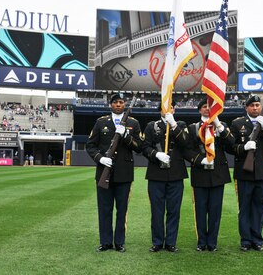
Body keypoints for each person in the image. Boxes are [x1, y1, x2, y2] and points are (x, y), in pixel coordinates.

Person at [86, 93, 143, 253]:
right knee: (104, 209)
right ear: (110, 104)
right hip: (104, 170)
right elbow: (90, 145)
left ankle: (119, 242)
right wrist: (100, 158)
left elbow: (139, 147)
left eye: (121, 102)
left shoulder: (133, 123)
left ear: (124, 104)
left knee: (122, 209)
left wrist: (126, 135)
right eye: (115, 102)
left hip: (124, 173)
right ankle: (105, 242)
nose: (118, 105)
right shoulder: (101, 122)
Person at [228, 95, 263, 252]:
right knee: (245, 208)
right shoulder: (237, 124)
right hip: (244, 172)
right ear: (247, 108)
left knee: (259, 208)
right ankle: (245, 240)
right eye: (252, 106)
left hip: (261, 173)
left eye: (258, 105)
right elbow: (230, 146)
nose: (256, 108)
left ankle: (257, 240)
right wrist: (244, 147)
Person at [184, 99, 234, 252]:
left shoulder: (221, 126)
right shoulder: (193, 128)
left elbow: (231, 143)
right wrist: (200, 160)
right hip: (200, 173)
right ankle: (201, 242)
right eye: (205, 107)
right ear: (199, 110)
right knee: (200, 210)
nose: (207, 109)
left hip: (218, 173)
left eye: (210, 107)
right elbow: (187, 150)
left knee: (215, 210)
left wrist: (219, 126)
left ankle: (212, 242)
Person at [142, 100, 189, 252]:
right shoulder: (151, 126)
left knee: (174, 211)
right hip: (156, 174)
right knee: (157, 211)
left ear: (174, 110)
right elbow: (144, 147)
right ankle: (157, 242)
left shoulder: (181, 125)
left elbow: (185, 143)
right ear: (159, 110)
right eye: (165, 107)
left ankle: (170, 242)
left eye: (171, 107)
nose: (168, 109)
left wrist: (173, 125)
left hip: (176, 174)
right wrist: (156, 154)